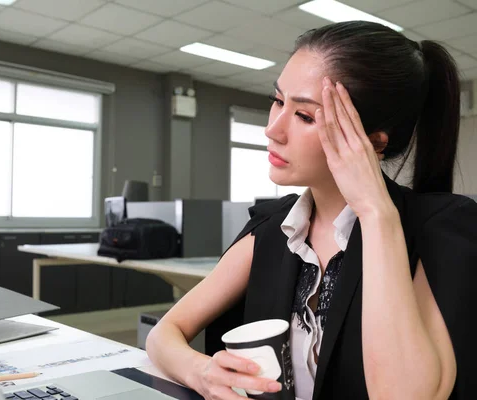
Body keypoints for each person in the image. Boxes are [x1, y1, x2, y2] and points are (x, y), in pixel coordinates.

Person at [145, 20, 477, 400]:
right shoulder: (274, 226)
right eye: (277, 101)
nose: (273, 128)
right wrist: (202, 372)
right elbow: (163, 334)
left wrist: (375, 212)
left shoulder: (438, 228)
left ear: (371, 142)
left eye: (304, 116)